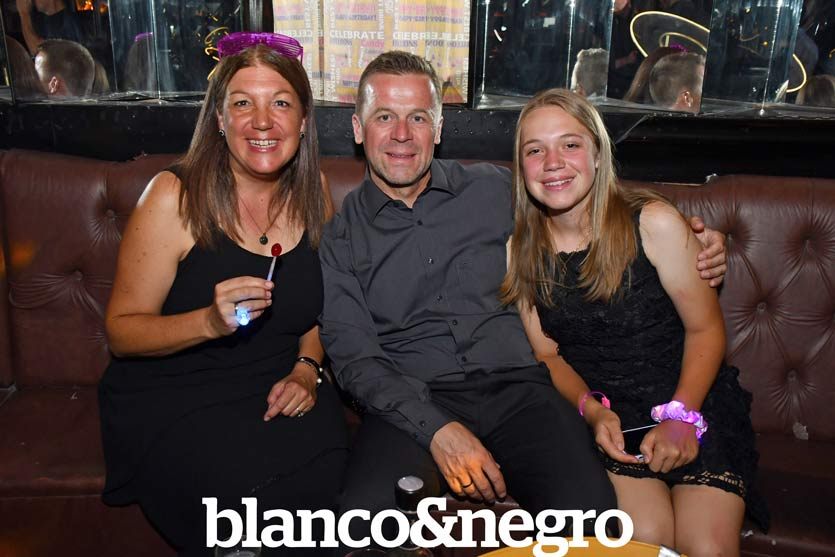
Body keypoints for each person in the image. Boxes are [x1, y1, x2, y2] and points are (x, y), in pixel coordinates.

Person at [318, 51, 727, 548]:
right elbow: (356, 362)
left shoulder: (498, 190)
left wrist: (697, 234)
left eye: (418, 118)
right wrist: (439, 430)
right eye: (385, 117)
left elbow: (588, 201)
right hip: (412, 398)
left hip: (520, 392)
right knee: (364, 524)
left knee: (589, 517)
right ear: (358, 128)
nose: (402, 134)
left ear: (438, 129)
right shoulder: (339, 239)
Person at [99, 33, 348, 556]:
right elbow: (121, 332)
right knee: (241, 505)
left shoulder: (315, 193)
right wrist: (208, 322)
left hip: (278, 383)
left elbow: (322, 309)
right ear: (218, 118)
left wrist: (307, 368)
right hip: (178, 392)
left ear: (304, 120)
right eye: (242, 104)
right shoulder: (174, 196)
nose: (262, 122)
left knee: (331, 488)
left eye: (281, 103)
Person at [502, 88, 767, 556]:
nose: (553, 162)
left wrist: (682, 417)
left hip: (693, 401)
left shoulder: (652, 223)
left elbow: (706, 329)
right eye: (535, 150)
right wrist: (593, 412)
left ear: (598, 155)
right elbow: (548, 355)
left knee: (706, 547)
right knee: (643, 539)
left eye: (570, 144)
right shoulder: (519, 252)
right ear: (521, 168)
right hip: (614, 421)